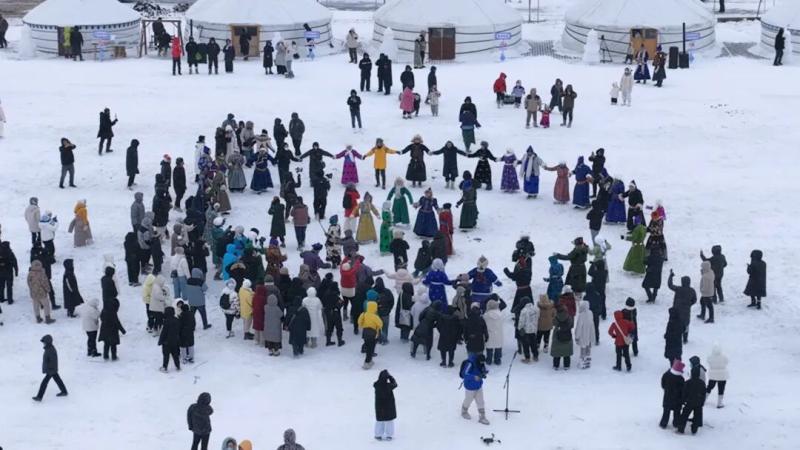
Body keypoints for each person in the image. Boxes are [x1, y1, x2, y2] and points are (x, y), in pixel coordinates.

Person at [32, 335, 68, 401]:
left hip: (51, 370)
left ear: (47, 342)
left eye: (44, 342)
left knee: (44, 383)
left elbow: (53, 361)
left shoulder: (50, 350)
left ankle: (39, 397)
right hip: (51, 370)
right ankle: (64, 391)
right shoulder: (48, 349)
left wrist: (50, 369)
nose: (43, 343)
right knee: (58, 380)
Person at [460, 353, 490, 425]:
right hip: (470, 386)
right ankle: (464, 411)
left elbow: (483, 369)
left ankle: (482, 417)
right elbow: (464, 374)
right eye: (481, 362)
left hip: (478, 385)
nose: (482, 363)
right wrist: (474, 377)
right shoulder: (470, 363)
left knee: (481, 401)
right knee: (468, 400)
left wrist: (484, 373)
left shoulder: (481, 363)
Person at [677, 367, 706, 434]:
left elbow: (684, 393)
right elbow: (704, 393)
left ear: (691, 373)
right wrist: (702, 402)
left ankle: (681, 428)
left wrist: (683, 400)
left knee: (684, 415)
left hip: (689, 402)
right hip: (698, 403)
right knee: (697, 416)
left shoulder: (688, 382)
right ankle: (694, 429)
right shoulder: (702, 383)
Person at [660, 360, 685, 429]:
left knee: (666, 412)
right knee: (677, 412)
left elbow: (663, 383)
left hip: (667, 397)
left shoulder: (666, 374)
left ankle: (663, 423)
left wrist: (665, 389)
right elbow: (682, 390)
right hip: (677, 399)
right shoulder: (681, 379)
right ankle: (676, 423)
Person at [358, 298, 382, 369]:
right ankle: (367, 363)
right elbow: (380, 324)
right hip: (373, 334)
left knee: (367, 346)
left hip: (365, 332)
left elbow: (359, 321)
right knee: (371, 349)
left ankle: (370, 361)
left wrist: (362, 325)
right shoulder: (375, 316)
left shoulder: (364, 314)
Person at [374, 370, 398, 441]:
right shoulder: (388, 386)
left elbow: (377, 382)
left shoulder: (376, 385)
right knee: (389, 421)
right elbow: (395, 384)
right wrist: (390, 377)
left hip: (379, 406)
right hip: (388, 407)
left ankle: (378, 435)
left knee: (379, 421)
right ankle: (389, 435)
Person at [159, 306, 181, 372]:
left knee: (166, 355)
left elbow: (164, 332)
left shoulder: (166, 321)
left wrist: (160, 341)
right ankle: (178, 366)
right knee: (175, 354)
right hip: (175, 341)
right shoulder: (177, 320)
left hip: (166, 342)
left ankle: (165, 367)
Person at [551, 305, 573, 370]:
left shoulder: (556, 317)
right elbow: (571, 324)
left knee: (557, 352)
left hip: (557, 335)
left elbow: (553, 323)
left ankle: (556, 365)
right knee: (566, 352)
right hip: (567, 334)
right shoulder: (568, 317)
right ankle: (566, 365)